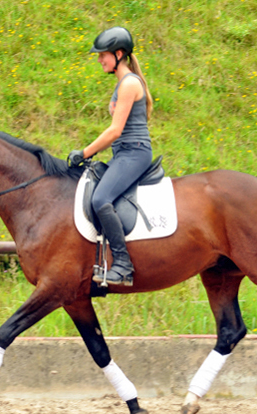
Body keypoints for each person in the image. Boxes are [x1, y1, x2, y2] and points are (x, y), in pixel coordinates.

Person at [68, 26, 154, 287]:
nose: (99, 59)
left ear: (118, 54)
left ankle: (123, 265)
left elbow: (115, 130)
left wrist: (84, 152)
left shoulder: (128, 84)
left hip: (134, 153)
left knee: (101, 198)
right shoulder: (124, 83)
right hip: (124, 153)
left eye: (103, 55)